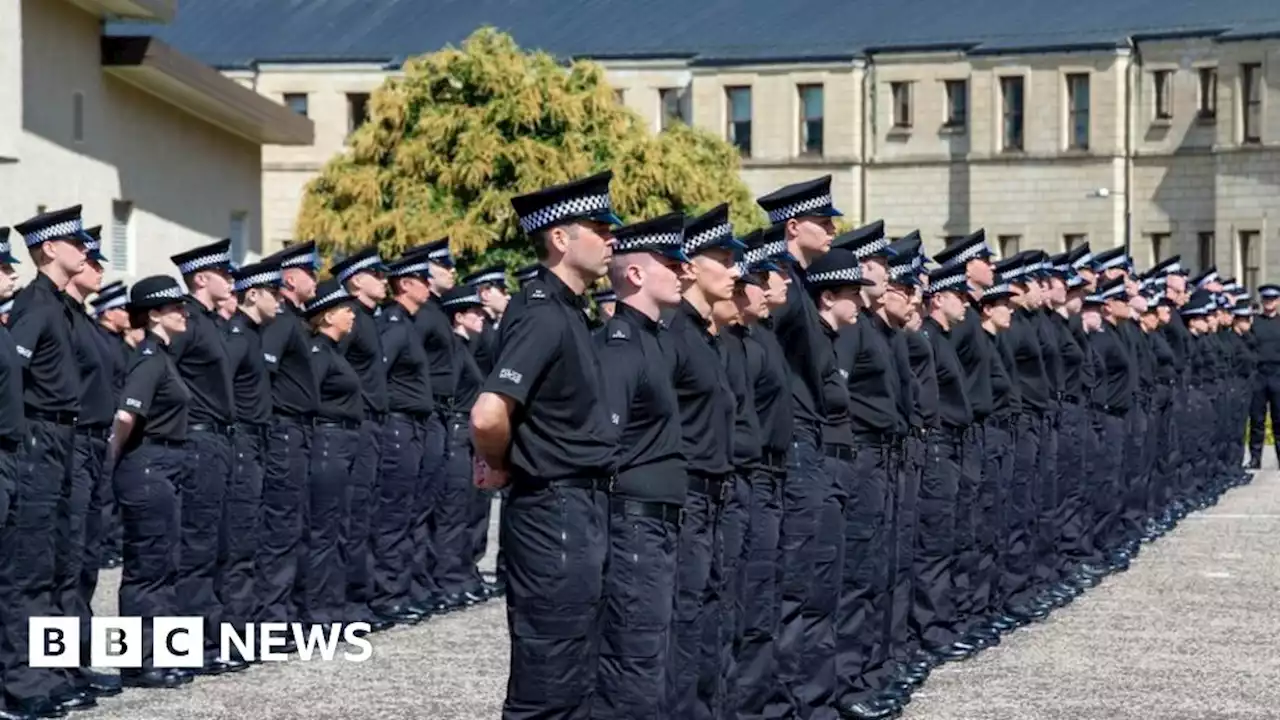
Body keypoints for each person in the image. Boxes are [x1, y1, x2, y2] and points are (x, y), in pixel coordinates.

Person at [470, 170, 622, 720]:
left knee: (578, 672)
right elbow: (489, 413)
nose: (612, 239)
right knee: (550, 681)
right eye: (600, 227)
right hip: (554, 508)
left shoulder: (567, 311)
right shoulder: (541, 313)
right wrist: (499, 464)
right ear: (560, 238)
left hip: (578, 508)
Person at [586, 213, 688, 717]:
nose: (682, 270)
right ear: (636, 275)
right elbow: (603, 440)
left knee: (654, 655)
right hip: (634, 524)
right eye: (670, 262)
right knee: (634, 658)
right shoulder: (621, 346)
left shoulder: (655, 339)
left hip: (658, 522)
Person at [753, 176, 844, 720]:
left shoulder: (799, 286)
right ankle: (788, 703)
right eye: (824, 221)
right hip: (794, 449)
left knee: (812, 584)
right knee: (794, 591)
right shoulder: (779, 287)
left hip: (809, 446)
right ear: (794, 227)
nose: (833, 229)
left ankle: (806, 700)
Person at [2, 206, 90, 718]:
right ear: (49, 249)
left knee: (56, 562)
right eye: (75, 243)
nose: (84, 251)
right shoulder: (35, 304)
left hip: (64, 437)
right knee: (28, 569)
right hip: (39, 437)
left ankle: (49, 673)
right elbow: (14, 371)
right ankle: (21, 685)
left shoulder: (61, 307)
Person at [659, 204, 742, 719]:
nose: (735, 270)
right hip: (686, 497)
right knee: (683, 622)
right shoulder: (675, 338)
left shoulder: (710, 339)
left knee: (711, 616)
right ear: (689, 266)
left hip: (716, 496)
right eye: (724, 258)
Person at [106, 274, 192, 690]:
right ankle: (138, 662)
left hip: (165, 464)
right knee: (147, 569)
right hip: (147, 464)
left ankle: (162, 654)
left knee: (164, 564)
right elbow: (125, 416)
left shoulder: (162, 355)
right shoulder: (149, 358)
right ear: (154, 314)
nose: (183, 312)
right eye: (175, 307)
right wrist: (112, 465)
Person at [167, 238, 239, 674]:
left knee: (213, 546)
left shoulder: (208, 321)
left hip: (216, 441)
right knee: (195, 549)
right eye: (225, 274)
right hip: (195, 439)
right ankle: (191, 645)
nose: (232, 280)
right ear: (201, 279)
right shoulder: (187, 323)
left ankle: (209, 640)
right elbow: (159, 371)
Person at [59, 230, 124, 706]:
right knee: (61, 566)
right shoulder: (55, 315)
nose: (97, 267)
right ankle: (56, 668)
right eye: (90, 260)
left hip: (92, 446)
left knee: (85, 567)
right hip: (69, 443)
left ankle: (77, 661)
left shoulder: (84, 320)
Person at [369, 252, 437, 626]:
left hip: (412, 427)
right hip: (397, 426)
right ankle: (389, 593)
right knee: (395, 514)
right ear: (406, 285)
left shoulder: (407, 323)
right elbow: (378, 375)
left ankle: (403, 588)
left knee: (411, 511)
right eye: (422, 279)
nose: (429, 285)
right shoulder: (395, 325)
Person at [257, 241, 320, 638]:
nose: (317, 279)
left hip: (298, 430)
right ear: (291, 278)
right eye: (311, 273)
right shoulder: (281, 322)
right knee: (280, 527)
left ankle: (287, 610)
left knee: (295, 524)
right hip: (283, 430)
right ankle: (273, 618)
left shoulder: (295, 319)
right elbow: (263, 373)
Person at [222, 259, 282, 657]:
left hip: (257, 443)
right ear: (253, 294)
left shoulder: (255, 336)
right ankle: (232, 635)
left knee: (251, 541)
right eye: (273, 293)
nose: (279, 301)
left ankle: (245, 630)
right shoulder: (238, 338)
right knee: (237, 544)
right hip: (241, 443)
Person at [329, 247, 390, 627]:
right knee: (350, 517)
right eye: (377, 275)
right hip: (357, 423)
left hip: (372, 425)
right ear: (356, 281)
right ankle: (349, 603)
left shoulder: (368, 319)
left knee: (366, 515)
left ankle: (359, 599)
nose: (386, 281)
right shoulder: (351, 320)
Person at [299, 280, 363, 627]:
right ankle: (317, 612)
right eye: (344, 310)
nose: (351, 314)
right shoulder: (318, 353)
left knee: (341, 527)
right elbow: (308, 399)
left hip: (345, 443)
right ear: (326, 317)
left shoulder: (335, 352)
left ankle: (334, 607)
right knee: (323, 530)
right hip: (328, 441)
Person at [406, 237, 457, 616]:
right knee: (415, 509)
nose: (451, 272)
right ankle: (415, 584)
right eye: (442, 266)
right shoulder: (420, 317)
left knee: (432, 506)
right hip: (422, 415)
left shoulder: (435, 311)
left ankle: (426, 582)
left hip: (438, 413)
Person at [439, 285, 491, 607]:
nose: (481, 318)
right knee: (454, 510)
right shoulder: (455, 348)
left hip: (467, 434)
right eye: (475, 313)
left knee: (470, 508)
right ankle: (449, 579)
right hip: (457, 431)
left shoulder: (467, 347)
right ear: (458, 317)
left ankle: (462, 573)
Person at [1248, 284, 1280, 468]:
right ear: (1262, 301)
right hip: (1259, 374)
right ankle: (1255, 458)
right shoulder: (1255, 322)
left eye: (1273, 299)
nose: (1269, 303)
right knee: (1257, 418)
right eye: (1266, 299)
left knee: (1279, 419)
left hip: (1278, 373)